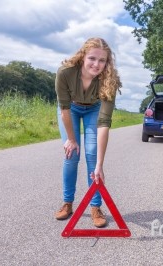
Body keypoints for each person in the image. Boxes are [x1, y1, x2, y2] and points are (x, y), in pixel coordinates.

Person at [54, 37, 121, 227]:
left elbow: (104, 123)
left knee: (93, 157)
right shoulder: (65, 72)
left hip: (94, 109)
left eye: (102, 60)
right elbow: (64, 108)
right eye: (92, 58)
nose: (97, 64)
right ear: (83, 56)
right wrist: (72, 140)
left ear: (107, 62)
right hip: (71, 109)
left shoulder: (110, 80)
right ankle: (67, 203)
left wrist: (100, 163)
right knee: (71, 155)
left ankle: (95, 207)